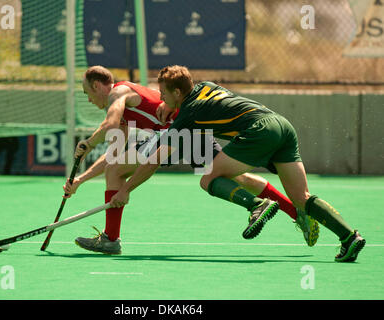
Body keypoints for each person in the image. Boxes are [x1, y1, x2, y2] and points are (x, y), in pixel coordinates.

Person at [109, 65, 365, 262]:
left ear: (177, 92)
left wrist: (126, 189)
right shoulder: (204, 87)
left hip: (258, 131)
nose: (160, 98)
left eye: (163, 94)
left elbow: (154, 160)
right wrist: (171, 108)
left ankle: (256, 205)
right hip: (282, 125)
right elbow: (209, 107)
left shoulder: (189, 113)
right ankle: (349, 237)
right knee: (301, 197)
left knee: (207, 178)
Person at [64, 65, 319, 255]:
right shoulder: (123, 105)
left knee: (116, 173)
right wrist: (81, 180)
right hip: (190, 131)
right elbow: (116, 154)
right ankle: (296, 213)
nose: (89, 99)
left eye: (88, 93)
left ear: (98, 86)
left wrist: (87, 144)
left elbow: (108, 125)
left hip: (177, 131)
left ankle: (111, 238)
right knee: (235, 177)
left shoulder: (116, 94)